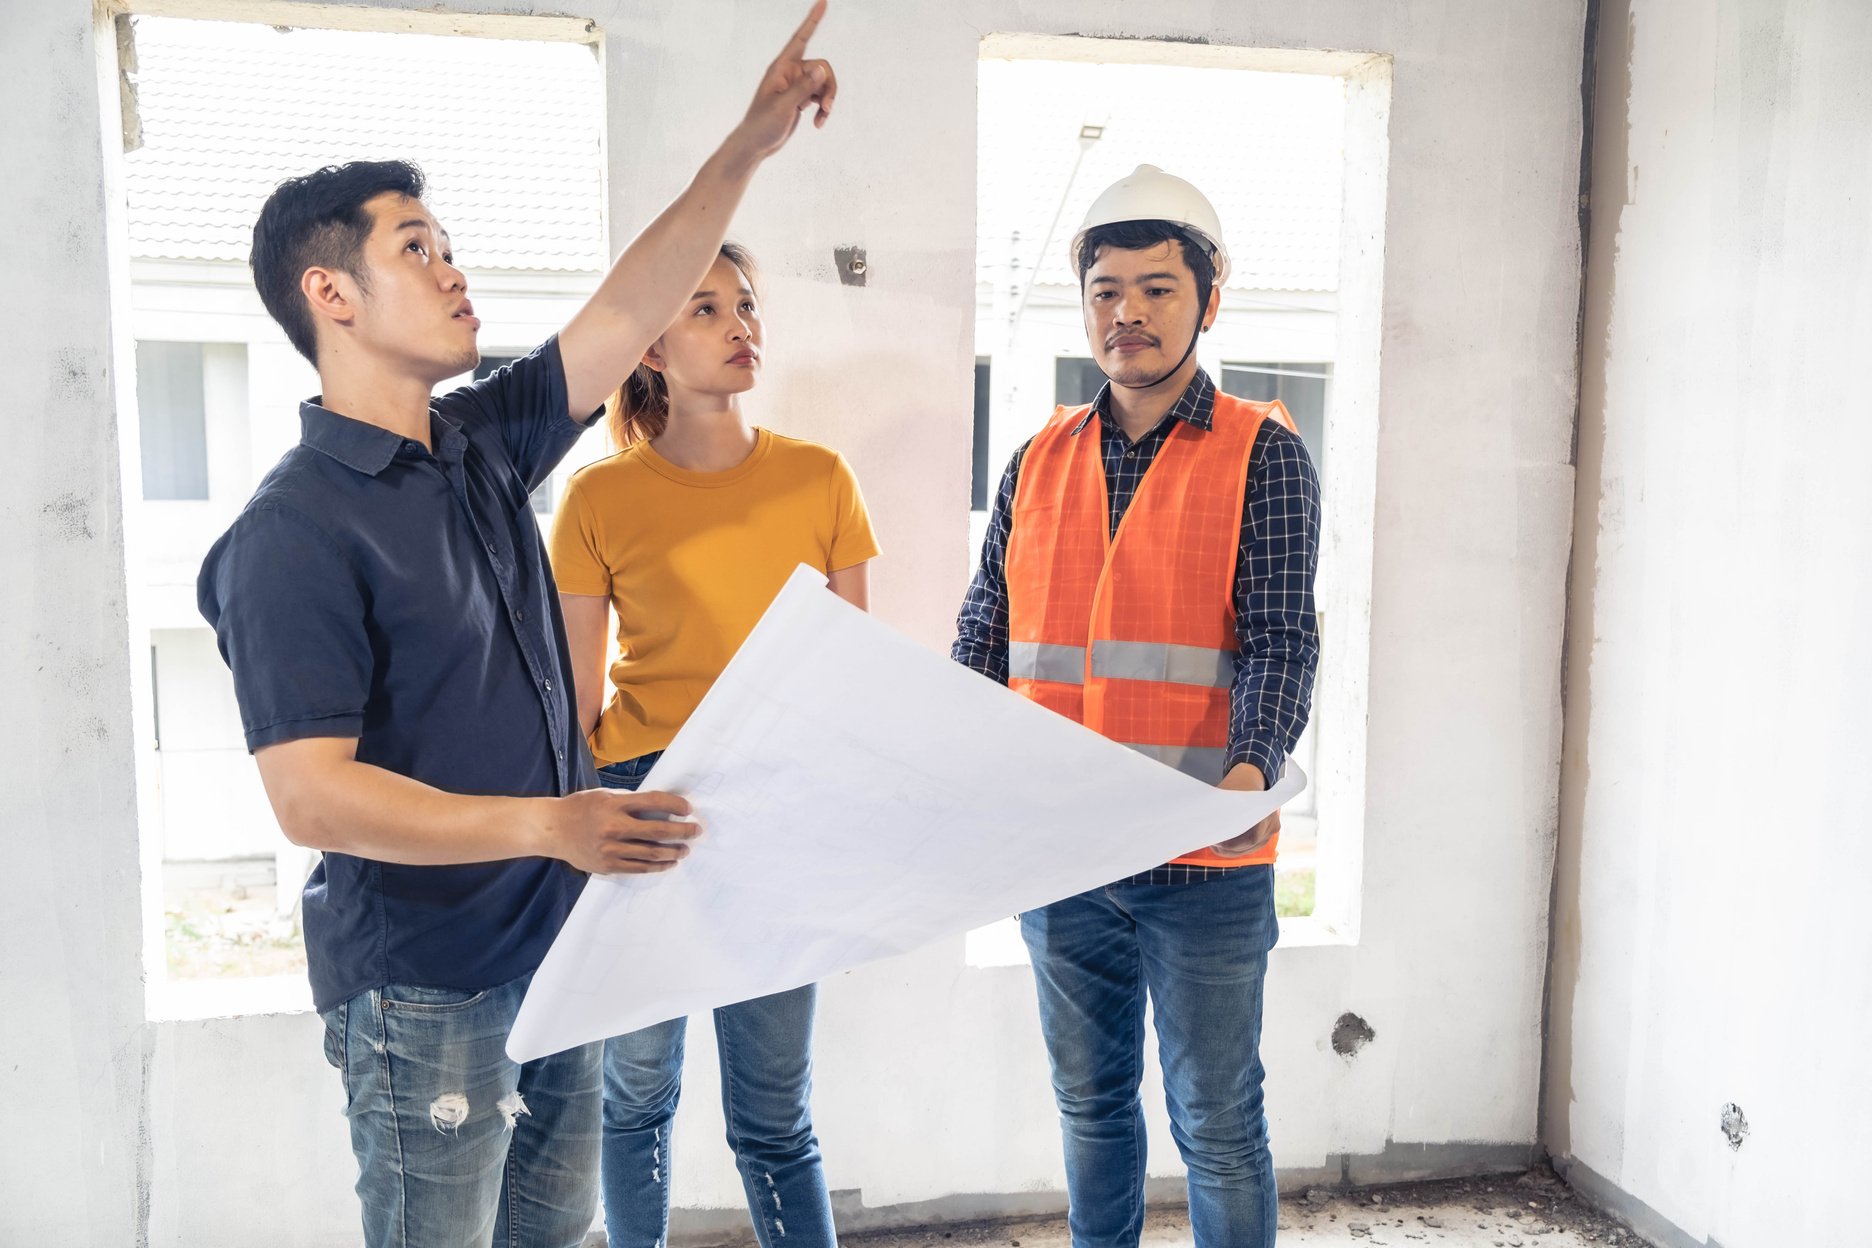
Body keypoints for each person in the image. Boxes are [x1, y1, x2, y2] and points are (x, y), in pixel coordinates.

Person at [194, 8, 839, 1245]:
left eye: (449, 244)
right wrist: (555, 822)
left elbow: (626, 307)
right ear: (328, 292)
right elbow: (313, 799)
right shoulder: (295, 531)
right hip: (425, 989)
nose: (454, 269)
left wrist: (750, 145)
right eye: (418, 248)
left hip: (559, 950)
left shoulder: (481, 445)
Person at [951, 164, 1322, 1248]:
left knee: (1216, 1122)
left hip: (1200, 866)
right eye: (1108, 289)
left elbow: (1281, 640)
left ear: (1210, 298)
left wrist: (1249, 775)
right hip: (1062, 857)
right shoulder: (1037, 460)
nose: (1130, 312)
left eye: (1158, 288)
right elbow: (984, 634)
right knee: (1093, 1112)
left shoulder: (1265, 454)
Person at [549, 240, 875, 1248]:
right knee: (635, 1094)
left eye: (745, 305)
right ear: (649, 345)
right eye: (704, 308)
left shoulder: (821, 479)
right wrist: (591, 817)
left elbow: (852, 678)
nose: (741, 326)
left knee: (774, 1112)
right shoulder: (599, 498)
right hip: (644, 798)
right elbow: (571, 704)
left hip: (780, 802)